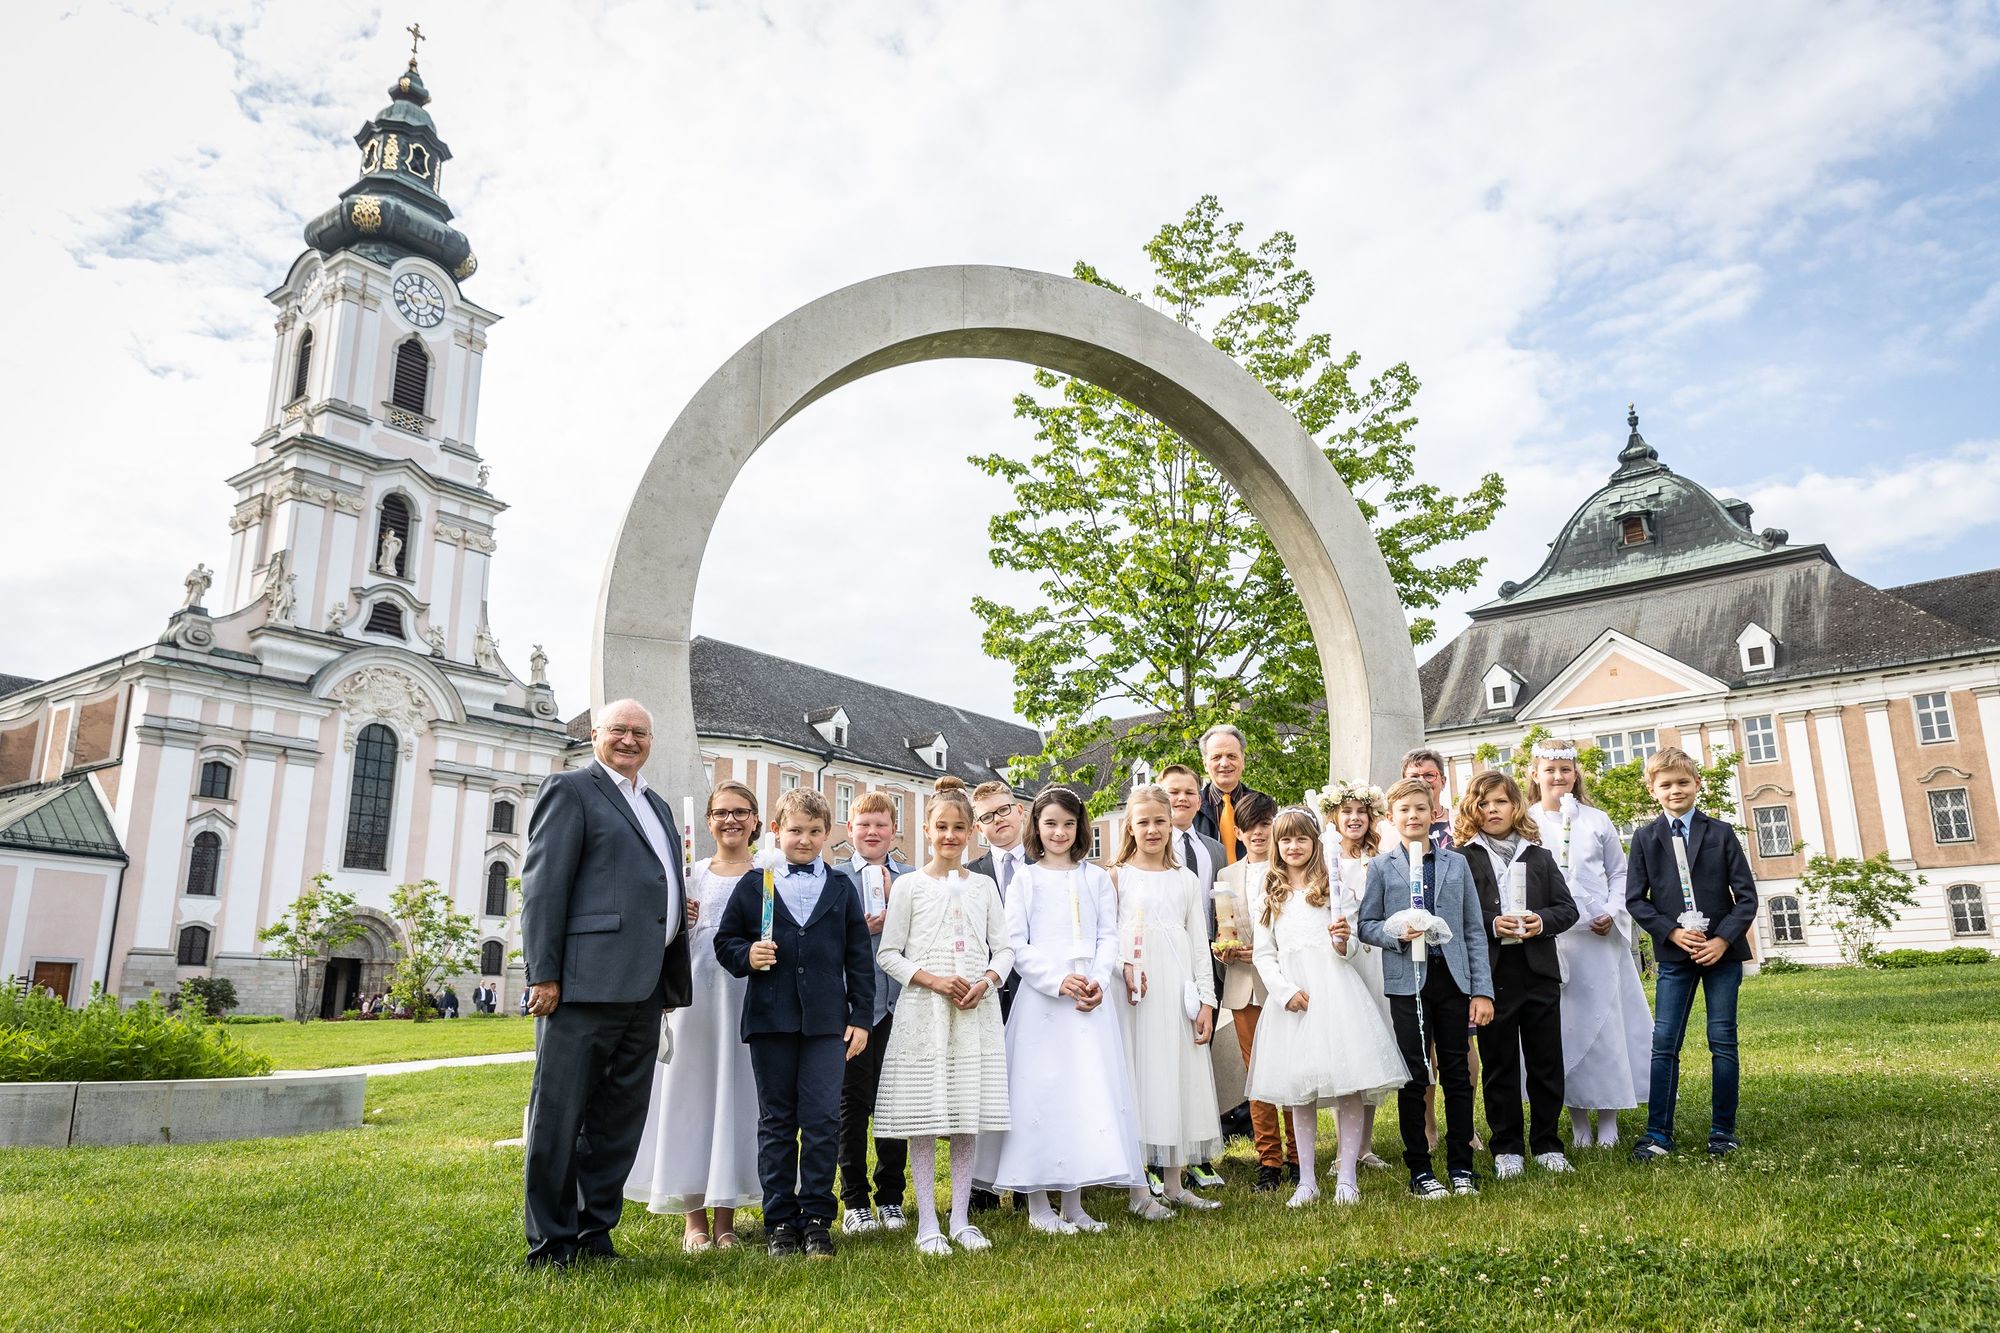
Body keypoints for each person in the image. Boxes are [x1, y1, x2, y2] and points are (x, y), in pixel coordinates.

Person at [518, 698, 692, 1270]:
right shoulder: (570, 790)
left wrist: (672, 907)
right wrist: (543, 974)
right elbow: (544, 887)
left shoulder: (657, 804)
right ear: (596, 733)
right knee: (560, 1116)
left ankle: (596, 1232)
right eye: (618, 730)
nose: (629, 740)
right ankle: (551, 1241)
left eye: (640, 732)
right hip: (582, 985)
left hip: (644, 989)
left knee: (619, 1122)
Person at [975, 785, 1146, 1232]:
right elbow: (1017, 943)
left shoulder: (1094, 878)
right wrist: (1057, 982)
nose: (1060, 832)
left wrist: (1095, 976)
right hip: (1043, 1004)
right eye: (1050, 823)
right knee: (1040, 1095)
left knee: (1081, 1095)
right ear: (1036, 826)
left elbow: (1109, 934)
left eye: (1068, 824)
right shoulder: (1025, 880)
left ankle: (1074, 1202)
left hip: (1089, 1002)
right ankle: (1037, 1205)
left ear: (1080, 827)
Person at [713, 787, 875, 1259]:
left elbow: (859, 959)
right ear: (777, 831)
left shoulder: (841, 887)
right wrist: (748, 954)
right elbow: (726, 941)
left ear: (828, 834)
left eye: (814, 832)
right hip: (770, 1020)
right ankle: (780, 1219)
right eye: (795, 831)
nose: (804, 840)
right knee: (777, 1121)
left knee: (824, 1119)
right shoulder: (756, 884)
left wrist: (860, 1017)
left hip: (828, 1023)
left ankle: (818, 1217)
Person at [875, 777, 1012, 1255]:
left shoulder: (985, 886)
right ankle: (927, 1221)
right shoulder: (910, 886)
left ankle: (961, 1217)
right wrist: (932, 980)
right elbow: (889, 954)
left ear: (971, 831)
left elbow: (1006, 947)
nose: (950, 836)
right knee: (925, 1113)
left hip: (974, 1011)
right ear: (926, 830)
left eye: (959, 828)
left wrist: (987, 980)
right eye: (941, 827)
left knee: (964, 1113)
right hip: (924, 1012)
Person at [1246, 806, 1408, 1209]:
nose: (1293, 846)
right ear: (1277, 846)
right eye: (1285, 839)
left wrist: (1343, 942)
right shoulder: (1270, 893)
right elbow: (1265, 955)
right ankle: (1307, 1180)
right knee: (1299, 1091)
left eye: (1302, 838)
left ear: (1315, 842)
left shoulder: (1334, 890)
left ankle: (1348, 1174)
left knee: (1348, 1084)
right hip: (1295, 999)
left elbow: (1352, 947)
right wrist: (1283, 992)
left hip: (1335, 993)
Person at [626, 781, 763, 1253]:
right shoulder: (690, 874)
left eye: (741, 812)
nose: (731, 820)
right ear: (708, 821)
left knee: (736, 1098)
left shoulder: (768, 875)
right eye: (722, 812)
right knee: (691, 1099)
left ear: (756, 821)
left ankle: (726, 1218)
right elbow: (661, 931)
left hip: (746, 996)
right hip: (694, 997)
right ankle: (694, 1220)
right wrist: (675, 917)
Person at [1359, 776, 1493, 1200]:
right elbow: (1367, 924)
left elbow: (1472, 929)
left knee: (1457, 1073)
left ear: (1435, 813)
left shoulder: (1457, 865)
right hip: (1407, 983)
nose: (1413, 816)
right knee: (1415, 1075)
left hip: (1452, 980)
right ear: (1390, 818)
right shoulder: (1382, 867)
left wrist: (1481, 990)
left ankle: (1461, 1165)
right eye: (1404, 810)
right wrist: (1397, 933)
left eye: (1421, 808)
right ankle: (1420, 1168)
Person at [1626, 747, 1756, 1163]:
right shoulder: (1646, 839)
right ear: (1653, 791)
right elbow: (1636, 901)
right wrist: (1673, 933)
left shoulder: (1720, 833)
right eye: (1665, 784)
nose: (1675, 790)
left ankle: (1723, 1132)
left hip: (1721, 955)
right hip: (1675, 955)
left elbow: (1746, 898)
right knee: (1664, 1043)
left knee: (1723, 1040)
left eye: (1683, 782)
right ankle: (1658, 1133)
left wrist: (1722, 940)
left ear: (1697, 784)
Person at [1524, 740, 1651, 1150]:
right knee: (1563, 1028)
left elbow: (1618, 872)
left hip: (1597, 936)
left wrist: (1614, 912)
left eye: (1565, 769)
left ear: (1576, 774)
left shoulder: (1597, 820)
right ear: (1535, 774)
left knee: (1605, 1023)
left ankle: (1609, 1116)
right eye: (1550, 769)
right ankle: (1578, 1119)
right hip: (1553, 937)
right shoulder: (1526, 822)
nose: (1558, 776)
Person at [1455, 771, 1580, 1179]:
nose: (1493, 810)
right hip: (1491, 976)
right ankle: (1506, 1147)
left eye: (1501, 802)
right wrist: (1494, 923)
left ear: (1516, 807)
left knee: (1546, 1061)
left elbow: (1567, 909)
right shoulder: (1463, 858)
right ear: (1473, 809)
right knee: (1499, 1063)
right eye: (1484, 803)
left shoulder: (1538, 855)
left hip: (1539, 971)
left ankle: (1547, 1143)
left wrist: (1540, 921)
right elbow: (1455, 916)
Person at [1115, 782, 1225, 1216]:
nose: (1153, 829)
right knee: (1142, 1078)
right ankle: (1140, 1191)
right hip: (1136, 991)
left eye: (1160, 821)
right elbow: (1109, 937)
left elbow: (1199, 943)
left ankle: (1176, 1182)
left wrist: (1206, 1000)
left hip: (1178, 988)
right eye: (1143, 822)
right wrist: (1124, 968)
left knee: (1178, 1077)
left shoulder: (1185, 878)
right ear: (1131, 827)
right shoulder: (1117, 876)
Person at [1210, 790, 1297, 1191]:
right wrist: (1226, 952)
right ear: (1239, 832)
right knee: (1257, 1076)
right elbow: (1223, 930)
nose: (1258, 833)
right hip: (1244, 986)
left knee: (1294, 1070)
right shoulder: (1227, 877)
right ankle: (1269, 1160)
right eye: (1250, 827)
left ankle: (1299, 1154)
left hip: (1287, 984)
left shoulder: (1292, 871)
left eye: (1266, 825)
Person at [837, 791, 915, 1236]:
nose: (872, 832)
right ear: (850, 831)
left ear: (893, 831)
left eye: (880, 824)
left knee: (894, 1104)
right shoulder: (835, 877)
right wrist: (856, 927)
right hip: (852, 1009)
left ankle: (890, 1197)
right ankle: (854, 1199)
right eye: (863, 825)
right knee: (852, 1104)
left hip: (899, 1005)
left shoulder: (910, 878)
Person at [1158, 763, 1229, 1191]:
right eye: (1172, 793)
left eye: (1188, 793)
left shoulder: (1212, 850)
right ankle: (1160, 1157)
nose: (1181, 799)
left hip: (1210, 964)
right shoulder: (1144, 848)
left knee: (1201, 1058)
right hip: (1164, 968)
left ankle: (1198, 1154)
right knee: (1165, 1061)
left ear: (1198, 801)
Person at [1321, 780, 1396, 1175]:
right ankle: (1341, 1149)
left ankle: (1364, 1145)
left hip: (1374, 960)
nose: (1353, 819)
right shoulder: (1324, 860)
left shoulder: (1383, 859)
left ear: (1371, 818)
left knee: (1371, 1049)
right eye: (1346, 812)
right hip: (1339, 961)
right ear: (1334, 817)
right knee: (1345, 1052)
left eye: (1360, 813)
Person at [963, 780, 1030, 1213]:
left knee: (1028, 1084)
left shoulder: (1048, 863)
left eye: (1003, 810)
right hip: (986, 989)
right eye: (986, 817)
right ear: (978, 828)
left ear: (1020, 810)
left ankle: (1028, 1178)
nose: (997, 821)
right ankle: (982, 1183)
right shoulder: (970, 872)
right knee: (985, 1083)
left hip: (1036, 989)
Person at [1193, 723, 1270, 865]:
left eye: (1231, 756)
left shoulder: (1264, 806)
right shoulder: (1191, 809)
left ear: (1243, 761)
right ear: (1205, 764)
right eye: (1216, 757)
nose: (1224, 763)